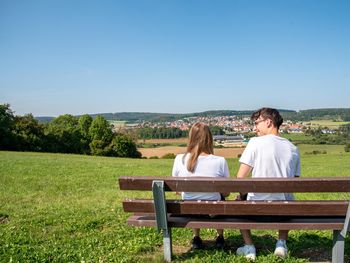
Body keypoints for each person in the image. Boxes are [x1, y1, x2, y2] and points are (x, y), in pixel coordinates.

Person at [235, 108, 300, 261]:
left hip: (256, 208)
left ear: (269, 122)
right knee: (288, 198)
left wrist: (241, 195)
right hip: (284, 210)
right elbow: (295, 183)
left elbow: (240, 177)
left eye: (257, 123)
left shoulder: (255, 143)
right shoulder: (293, 148)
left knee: (237, 202)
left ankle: (249, 247)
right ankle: (281, 244)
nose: (254, 127)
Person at [172, 122, 230, 250]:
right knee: (219, 198)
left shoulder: (179, 159)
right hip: (213, 212)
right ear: (209, 139)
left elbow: (176, 189)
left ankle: (196, 237)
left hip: (189, 210)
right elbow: (226, 193)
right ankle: (220, 237)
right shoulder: (220, 161)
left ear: (191, 138)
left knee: (191, 198)